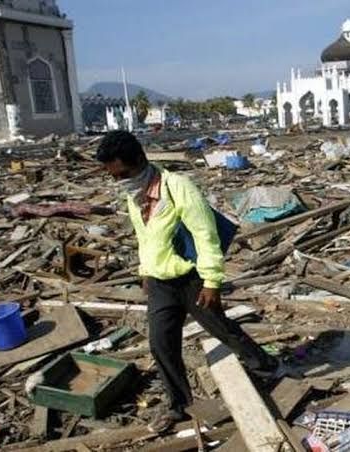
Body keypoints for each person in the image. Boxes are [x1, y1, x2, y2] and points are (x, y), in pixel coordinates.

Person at [96, 131, 284, 431]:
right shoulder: (135, 196)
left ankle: (266, 365)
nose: (120, 181)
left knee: (220, 328)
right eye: (114, 176)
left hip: (191, 279)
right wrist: (145, 271)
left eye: (123, 174)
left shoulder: (178, 188)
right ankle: (178, 404)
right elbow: (144, 238)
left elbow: (205, 234)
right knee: (161, 345)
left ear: (140, 162)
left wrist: (212, 281)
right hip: (159, 283)